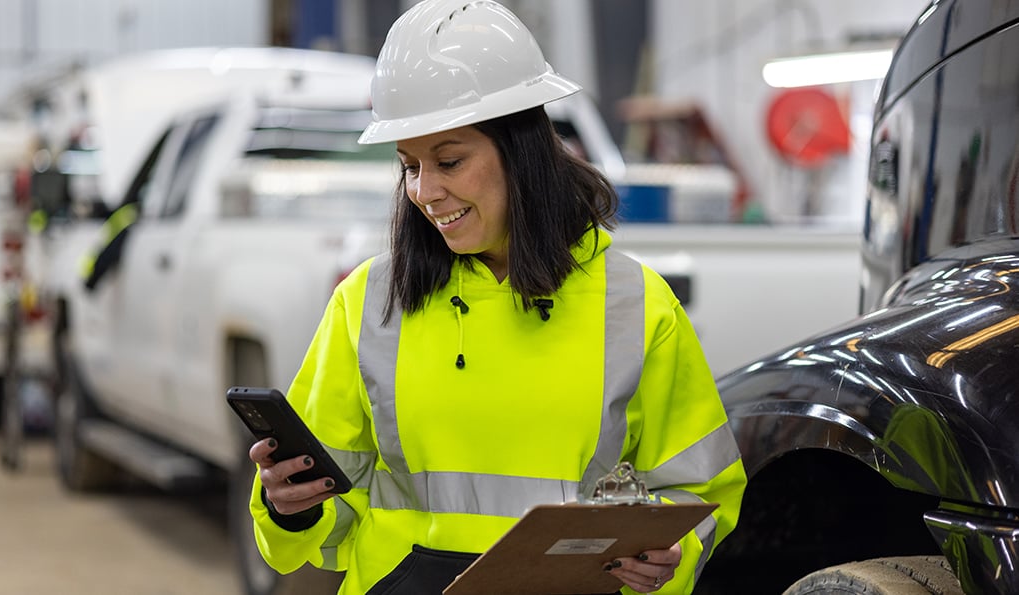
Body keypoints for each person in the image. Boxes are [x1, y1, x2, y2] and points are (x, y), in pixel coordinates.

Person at [248, 1, 747, 593]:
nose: (424, 192)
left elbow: (701, 490)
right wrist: (290, 508)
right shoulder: (370, 303)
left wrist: (673, 553)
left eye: (449, 160)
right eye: (409, 166)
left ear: (522, 151)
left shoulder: (636, 305)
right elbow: (325, 510)